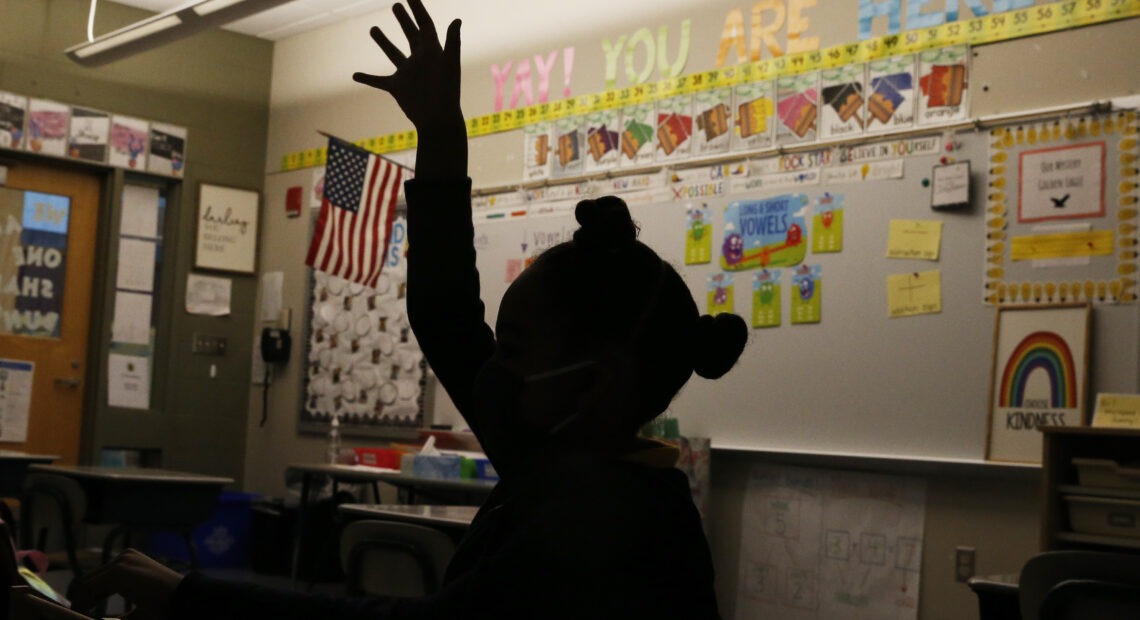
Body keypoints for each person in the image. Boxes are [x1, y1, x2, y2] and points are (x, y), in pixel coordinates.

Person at [71, 2, 747, 618]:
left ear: (597, 380)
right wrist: (441, 137)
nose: (493, 370)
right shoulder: (564, 451)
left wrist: (189, 592)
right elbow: (449, 314)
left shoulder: (610, 525)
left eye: (514, 349)